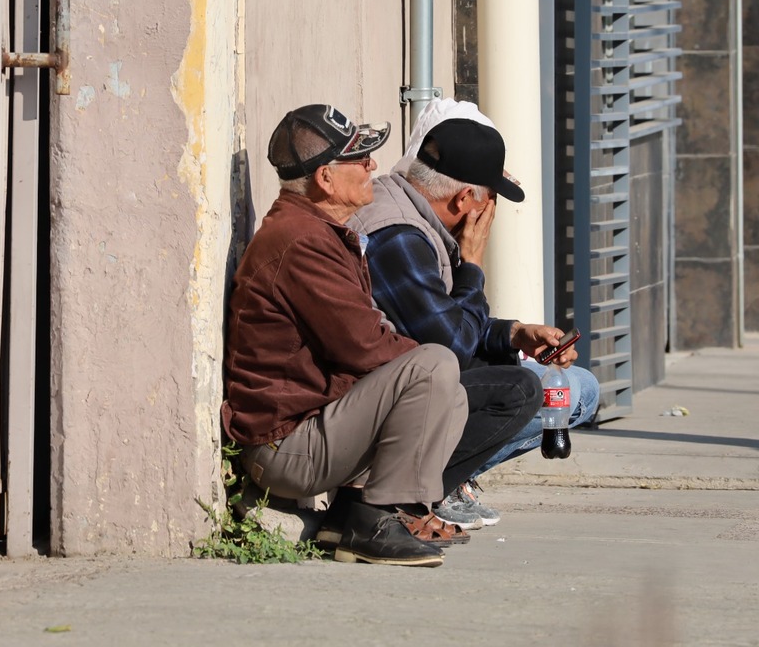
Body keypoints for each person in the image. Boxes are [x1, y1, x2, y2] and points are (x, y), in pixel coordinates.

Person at [221, 103, 539, 567]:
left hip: (312, 433)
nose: (373, 165)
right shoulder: (302, 241)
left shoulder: (317, 231)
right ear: (326, 178)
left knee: (441, 377)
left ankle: (353, 512)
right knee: (435, 366)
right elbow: (369, 347)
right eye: (359, 158)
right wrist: (431, 361)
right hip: (284, 450)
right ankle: (372, 520)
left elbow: (371, 344)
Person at [352, 98, 601, 529]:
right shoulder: (398, 235)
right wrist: (473, 264)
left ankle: (435, 481)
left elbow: (445, 322)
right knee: (526, 390)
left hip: (406, 382)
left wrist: (516, 335)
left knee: (577, 387)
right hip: (380, 403)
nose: (487, 215)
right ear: (465, 197)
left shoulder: (413, 213)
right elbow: (452, 346)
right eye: (487, 202)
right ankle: (414, 494)